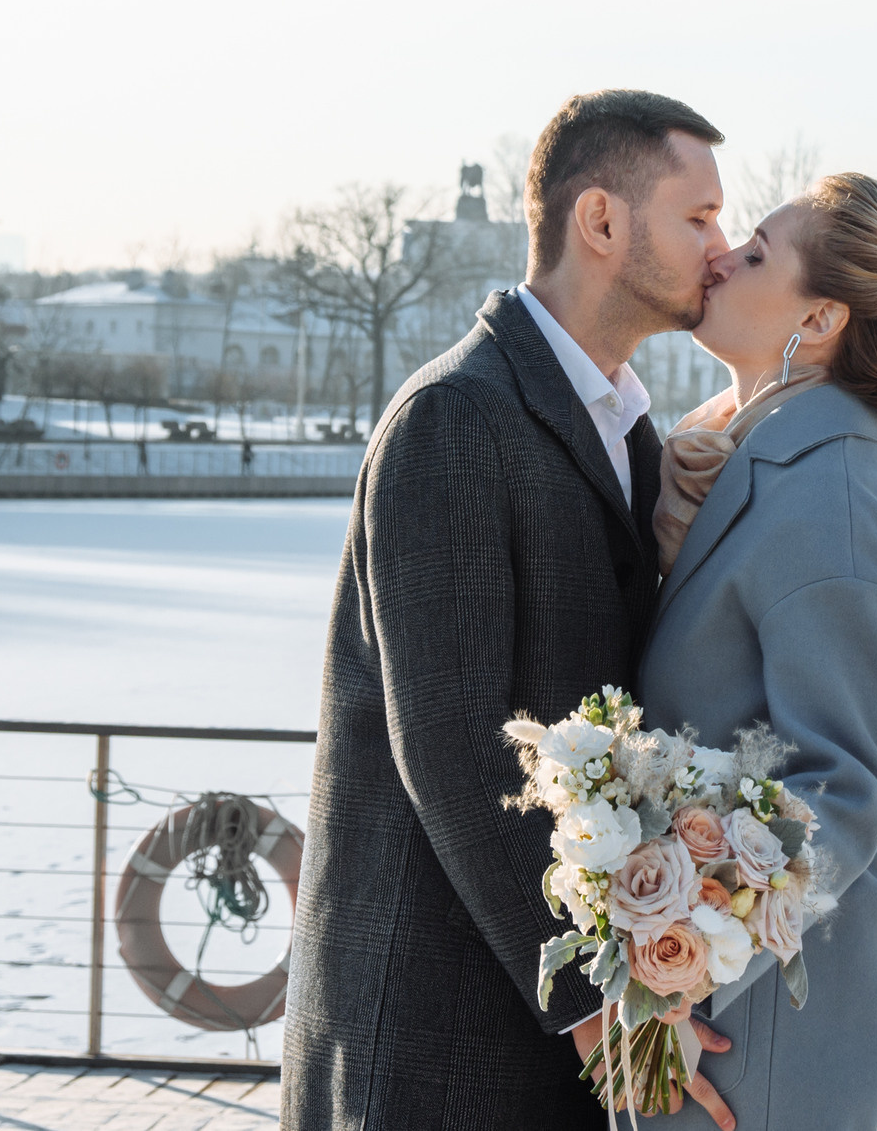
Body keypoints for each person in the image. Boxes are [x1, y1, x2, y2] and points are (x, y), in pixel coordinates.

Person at [282, 89, 744, 1131]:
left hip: (539, 1029)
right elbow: (452, 741)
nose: (720, 248)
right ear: (601, 220)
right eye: (699, 216)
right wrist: (591, 1002)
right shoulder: (452, 416)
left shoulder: (630, 433)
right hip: (430, 1034)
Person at [631, 172, 877, 1129]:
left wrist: (683, 970)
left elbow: (841, 790)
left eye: (756, 253)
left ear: (821, 317)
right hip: (714, 1002)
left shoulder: (835, 507)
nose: (721, 258)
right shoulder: (737, 465)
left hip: (772, 1021)